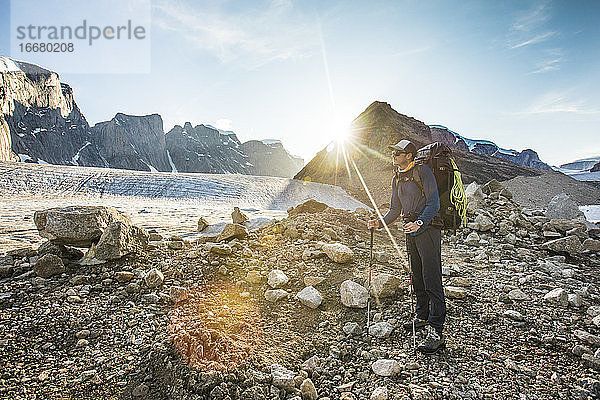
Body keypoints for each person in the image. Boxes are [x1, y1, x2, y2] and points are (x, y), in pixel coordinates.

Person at [367, 139, 446, 354]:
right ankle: (422, 316)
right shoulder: (397, 178)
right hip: (410, 231)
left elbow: (434, 203)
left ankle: (437, 331)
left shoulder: (424, 172)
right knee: (417, 275)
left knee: (432, 277)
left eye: (397, 152)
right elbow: (395, 209)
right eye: (392, 152)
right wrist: (380, 223)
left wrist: (419, 222)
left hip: (428, 230)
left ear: (409, 155)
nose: (393, 155)